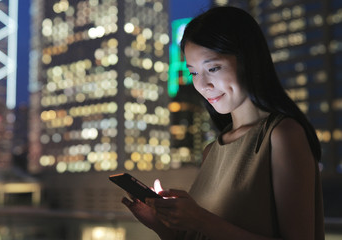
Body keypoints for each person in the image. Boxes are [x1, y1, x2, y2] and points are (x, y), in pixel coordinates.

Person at [121, 6, 325, 240]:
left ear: (248, 60)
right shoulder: (212, 150)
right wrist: (163, 226)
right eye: (194, 73)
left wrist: (201, 219)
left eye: (213, 68)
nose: (203, 84)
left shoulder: (281, 135)